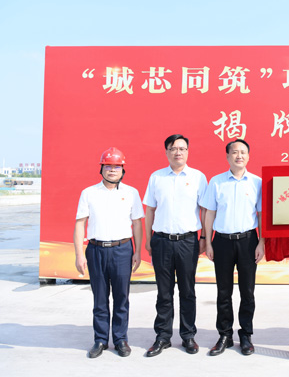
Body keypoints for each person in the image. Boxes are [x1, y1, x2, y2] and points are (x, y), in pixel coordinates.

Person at [73, 147, 144, 358]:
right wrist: (79, 254)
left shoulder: (131, 193)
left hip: (122, 250)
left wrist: (137, 251)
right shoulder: (89, 193)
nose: (112, 170)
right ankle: (100, 340)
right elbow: (80, 224)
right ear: (101, 168)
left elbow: (137, 224)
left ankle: (121, 339)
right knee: (100, 299)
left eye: (117, 166)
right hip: (96, 250)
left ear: (123, 169)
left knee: (122, 297)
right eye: (108, 166)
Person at [143, 134, 207, 357]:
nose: (178, 152)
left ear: (187, 152)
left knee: (187, 291)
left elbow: (205, 210)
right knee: (164, 292)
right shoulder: (157, 177)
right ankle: (163, 336)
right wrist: (148, 239)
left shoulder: (198, 177)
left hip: (188, 241)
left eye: (182, 148)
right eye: (173, 148)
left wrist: (204, 238)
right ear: (166, 152)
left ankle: (188, 335)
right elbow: (150, 210)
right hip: (161, 240)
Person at [200, 139, 264, 356]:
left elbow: (262, 215)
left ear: (249, 156)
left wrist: (261, 242)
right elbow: (210, 213)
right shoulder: (217, 182)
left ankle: (246, 335)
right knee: (223, 291)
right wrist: (209, 242)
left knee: (248, 291)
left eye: (243, 152)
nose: (239, 156)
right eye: (234, 152)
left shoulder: (256, 182)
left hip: (248, 241)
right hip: (222, 242)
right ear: (227, 156)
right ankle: (224, 335)